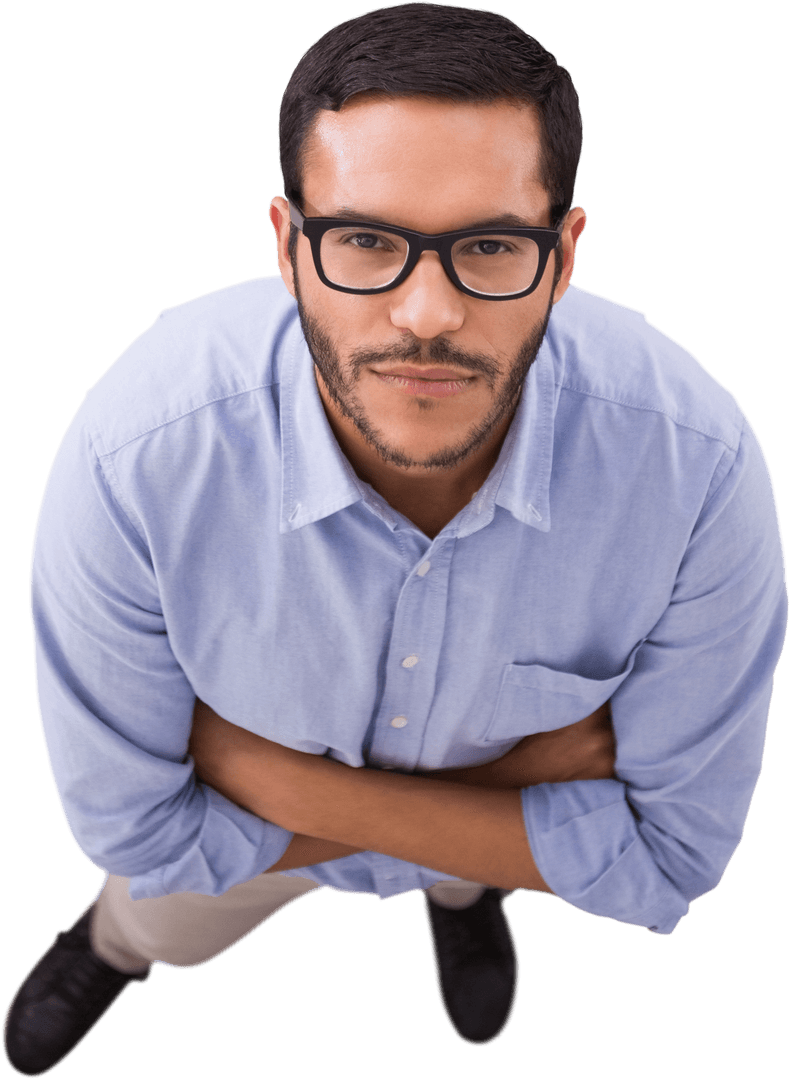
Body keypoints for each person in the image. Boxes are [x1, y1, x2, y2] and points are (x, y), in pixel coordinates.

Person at [3, 2, 786, 1075]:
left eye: (489, 245)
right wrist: (525, 788)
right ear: (288, 246)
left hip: (263, 816)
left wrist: (263, 780)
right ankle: (109, 947)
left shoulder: (696, 468)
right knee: (160, 914)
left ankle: (462, 894)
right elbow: (139, 840)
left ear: (561, 257)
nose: (426, 312)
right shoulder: (136, 454)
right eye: (366, 239)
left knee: (446, 867)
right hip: (479, 812)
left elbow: (673, 853)